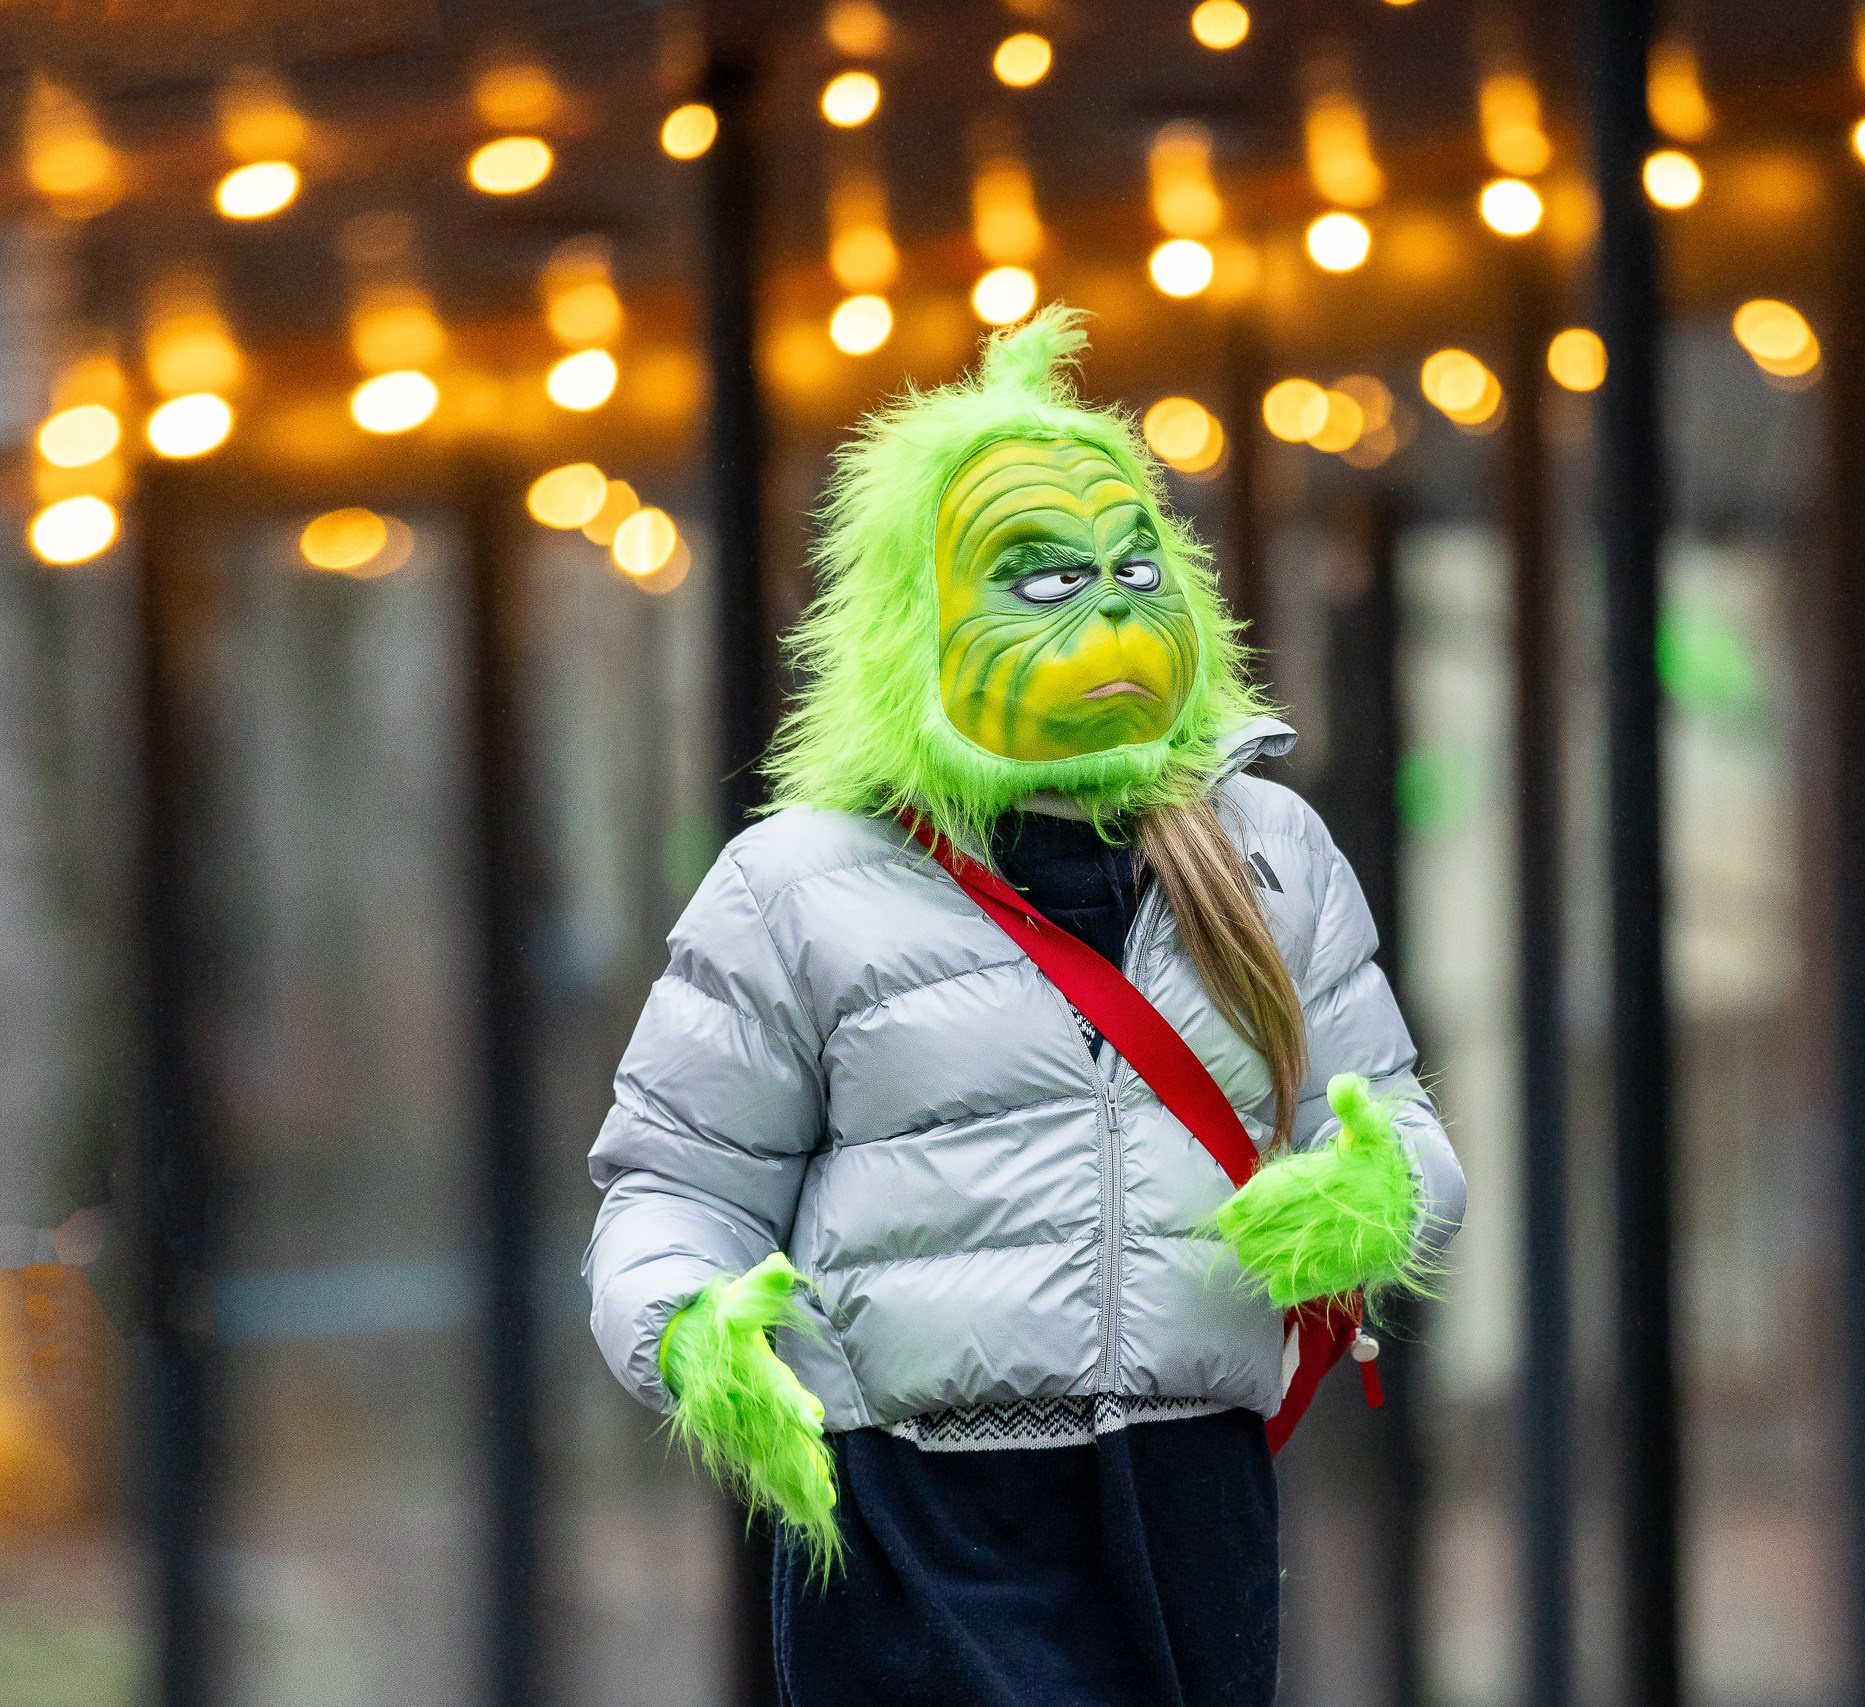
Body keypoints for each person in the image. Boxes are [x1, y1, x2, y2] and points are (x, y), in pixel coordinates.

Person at [583, 306, 1465, 1707]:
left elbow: (1402, 1123)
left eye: (1134, 567)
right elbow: (673, 1186)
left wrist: (1378, 1194)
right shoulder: (798, 884)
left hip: (1191, 1498)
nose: (1108, 610)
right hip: (921, 1507)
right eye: (1043, 579)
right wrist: (691, 1329)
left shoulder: (1268, 851)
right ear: (919, 619)